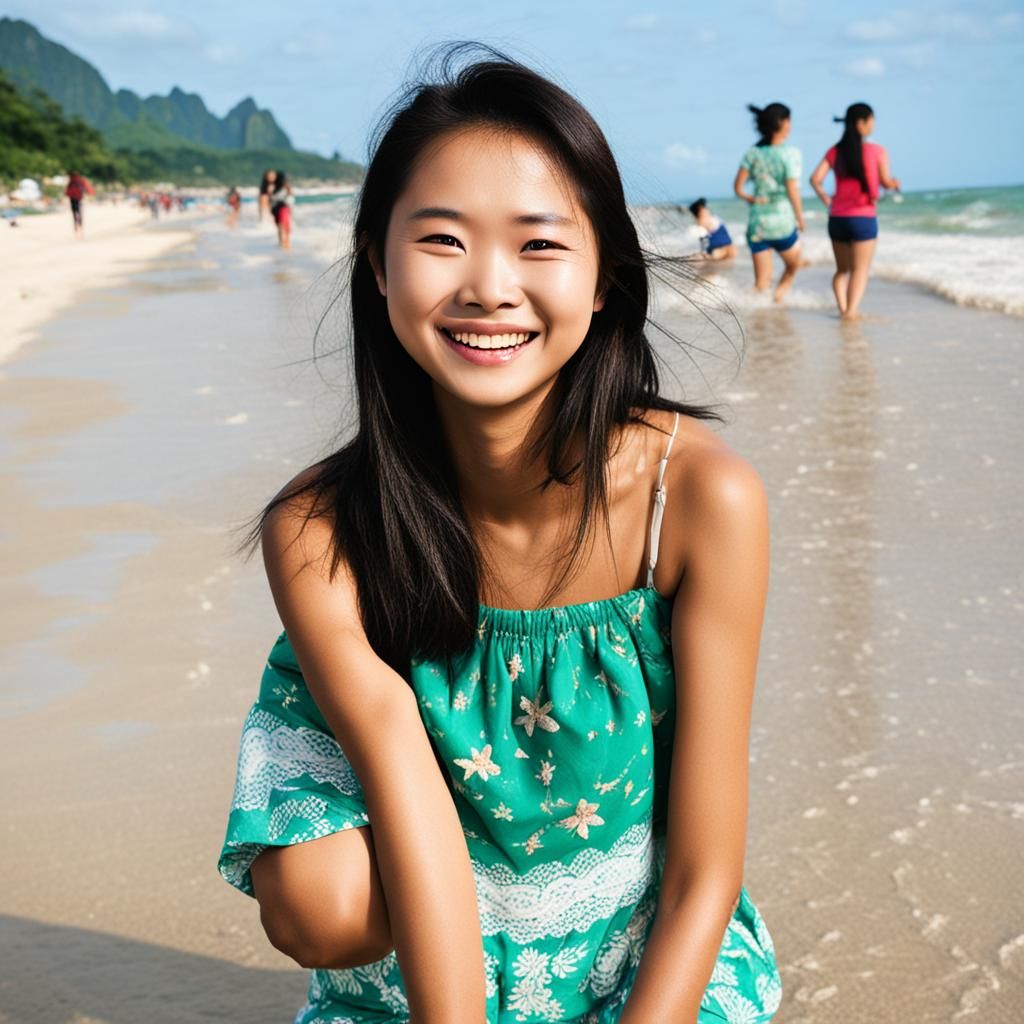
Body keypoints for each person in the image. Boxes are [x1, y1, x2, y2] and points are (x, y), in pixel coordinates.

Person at [217, 45, 782, 1024]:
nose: (488, 286)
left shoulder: (696, 500)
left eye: (538, 244)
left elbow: (703, 866)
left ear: (604, 276)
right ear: (375, 265)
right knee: (321, 905)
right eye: (441, 240)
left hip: (616, 893)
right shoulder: (319, 530)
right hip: (411, 856)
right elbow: (403, 782)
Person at [810, 102, 901, 320]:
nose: (873, 125)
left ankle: (843, 310)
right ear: (862, 122)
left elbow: (815, 180)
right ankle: (850, 313)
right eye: (872, 121)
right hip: (863, 218)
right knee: (860, 270)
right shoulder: (877, 151)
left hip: (837, 218)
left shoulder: (834, 151)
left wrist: (826, 200)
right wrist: (894, 183)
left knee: (842, 270)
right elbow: (886, 182)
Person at [734, 103, 805, 303]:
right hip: (782, 224)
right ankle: (778, 298)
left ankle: (760, 321)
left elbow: (738, 188)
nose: (790, 125)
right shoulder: (791, 154)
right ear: (781, 123)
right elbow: (792, 189)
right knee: (794, 265)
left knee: (761, 285)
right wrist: (801, 218)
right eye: (789, 120)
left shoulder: (753, 153)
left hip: (758, 225)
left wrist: (752, 198)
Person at [64, 171, 94, 237]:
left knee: (74, 214)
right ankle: (81, 229)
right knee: (80, 214)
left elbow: (66, 191)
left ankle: (76, 229)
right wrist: (90, 194)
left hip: (72, 200)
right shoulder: (80, 180)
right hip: (79, 199)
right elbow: (86, 188)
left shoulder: (71, 181)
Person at [269, 170, 294, 250]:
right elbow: (291, 199)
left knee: (282, 227)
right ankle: (284, 245)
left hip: (281, 208)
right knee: (282, 227)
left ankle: (284, 244)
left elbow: (290, 198)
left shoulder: (284, 187)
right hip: (280, 208)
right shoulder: (279, 187)